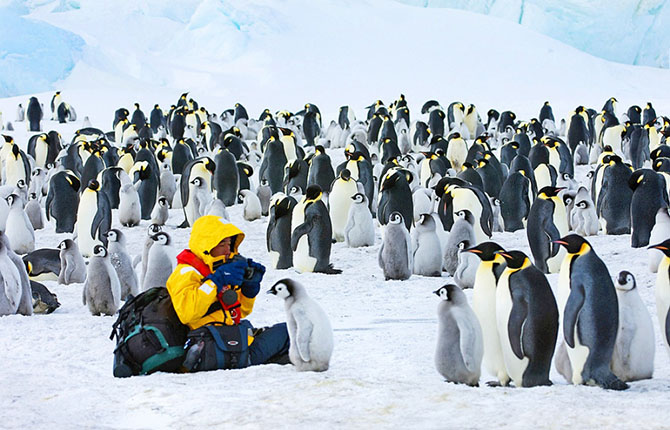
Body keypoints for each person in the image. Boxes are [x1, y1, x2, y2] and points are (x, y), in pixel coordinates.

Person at [166, 215, 290, 368]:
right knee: (290, 330)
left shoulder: (218, 269)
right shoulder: (186, 273)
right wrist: (215, 281)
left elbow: (239, 312)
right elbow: (187, 312)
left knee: (248, 325)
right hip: (211, 350)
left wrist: (249, 289)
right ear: (206, 244)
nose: (227, 250)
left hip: (223, 343)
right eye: (221, 244)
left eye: (229, 244)